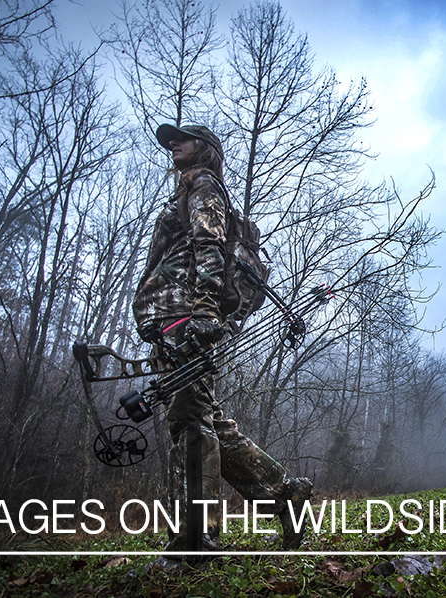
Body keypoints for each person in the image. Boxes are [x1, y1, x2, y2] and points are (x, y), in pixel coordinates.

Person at [132, 123, 312, 570]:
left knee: (190, 421)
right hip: (171, 319)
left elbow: (208, 245)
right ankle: (284, 494)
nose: (173, 144)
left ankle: (195, 541)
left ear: (206, 149)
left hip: (184, 318)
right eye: (170, 140)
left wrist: (206, 313)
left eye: (182, 139)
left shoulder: (205, 185)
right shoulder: (190, 189)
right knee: (204, 416)